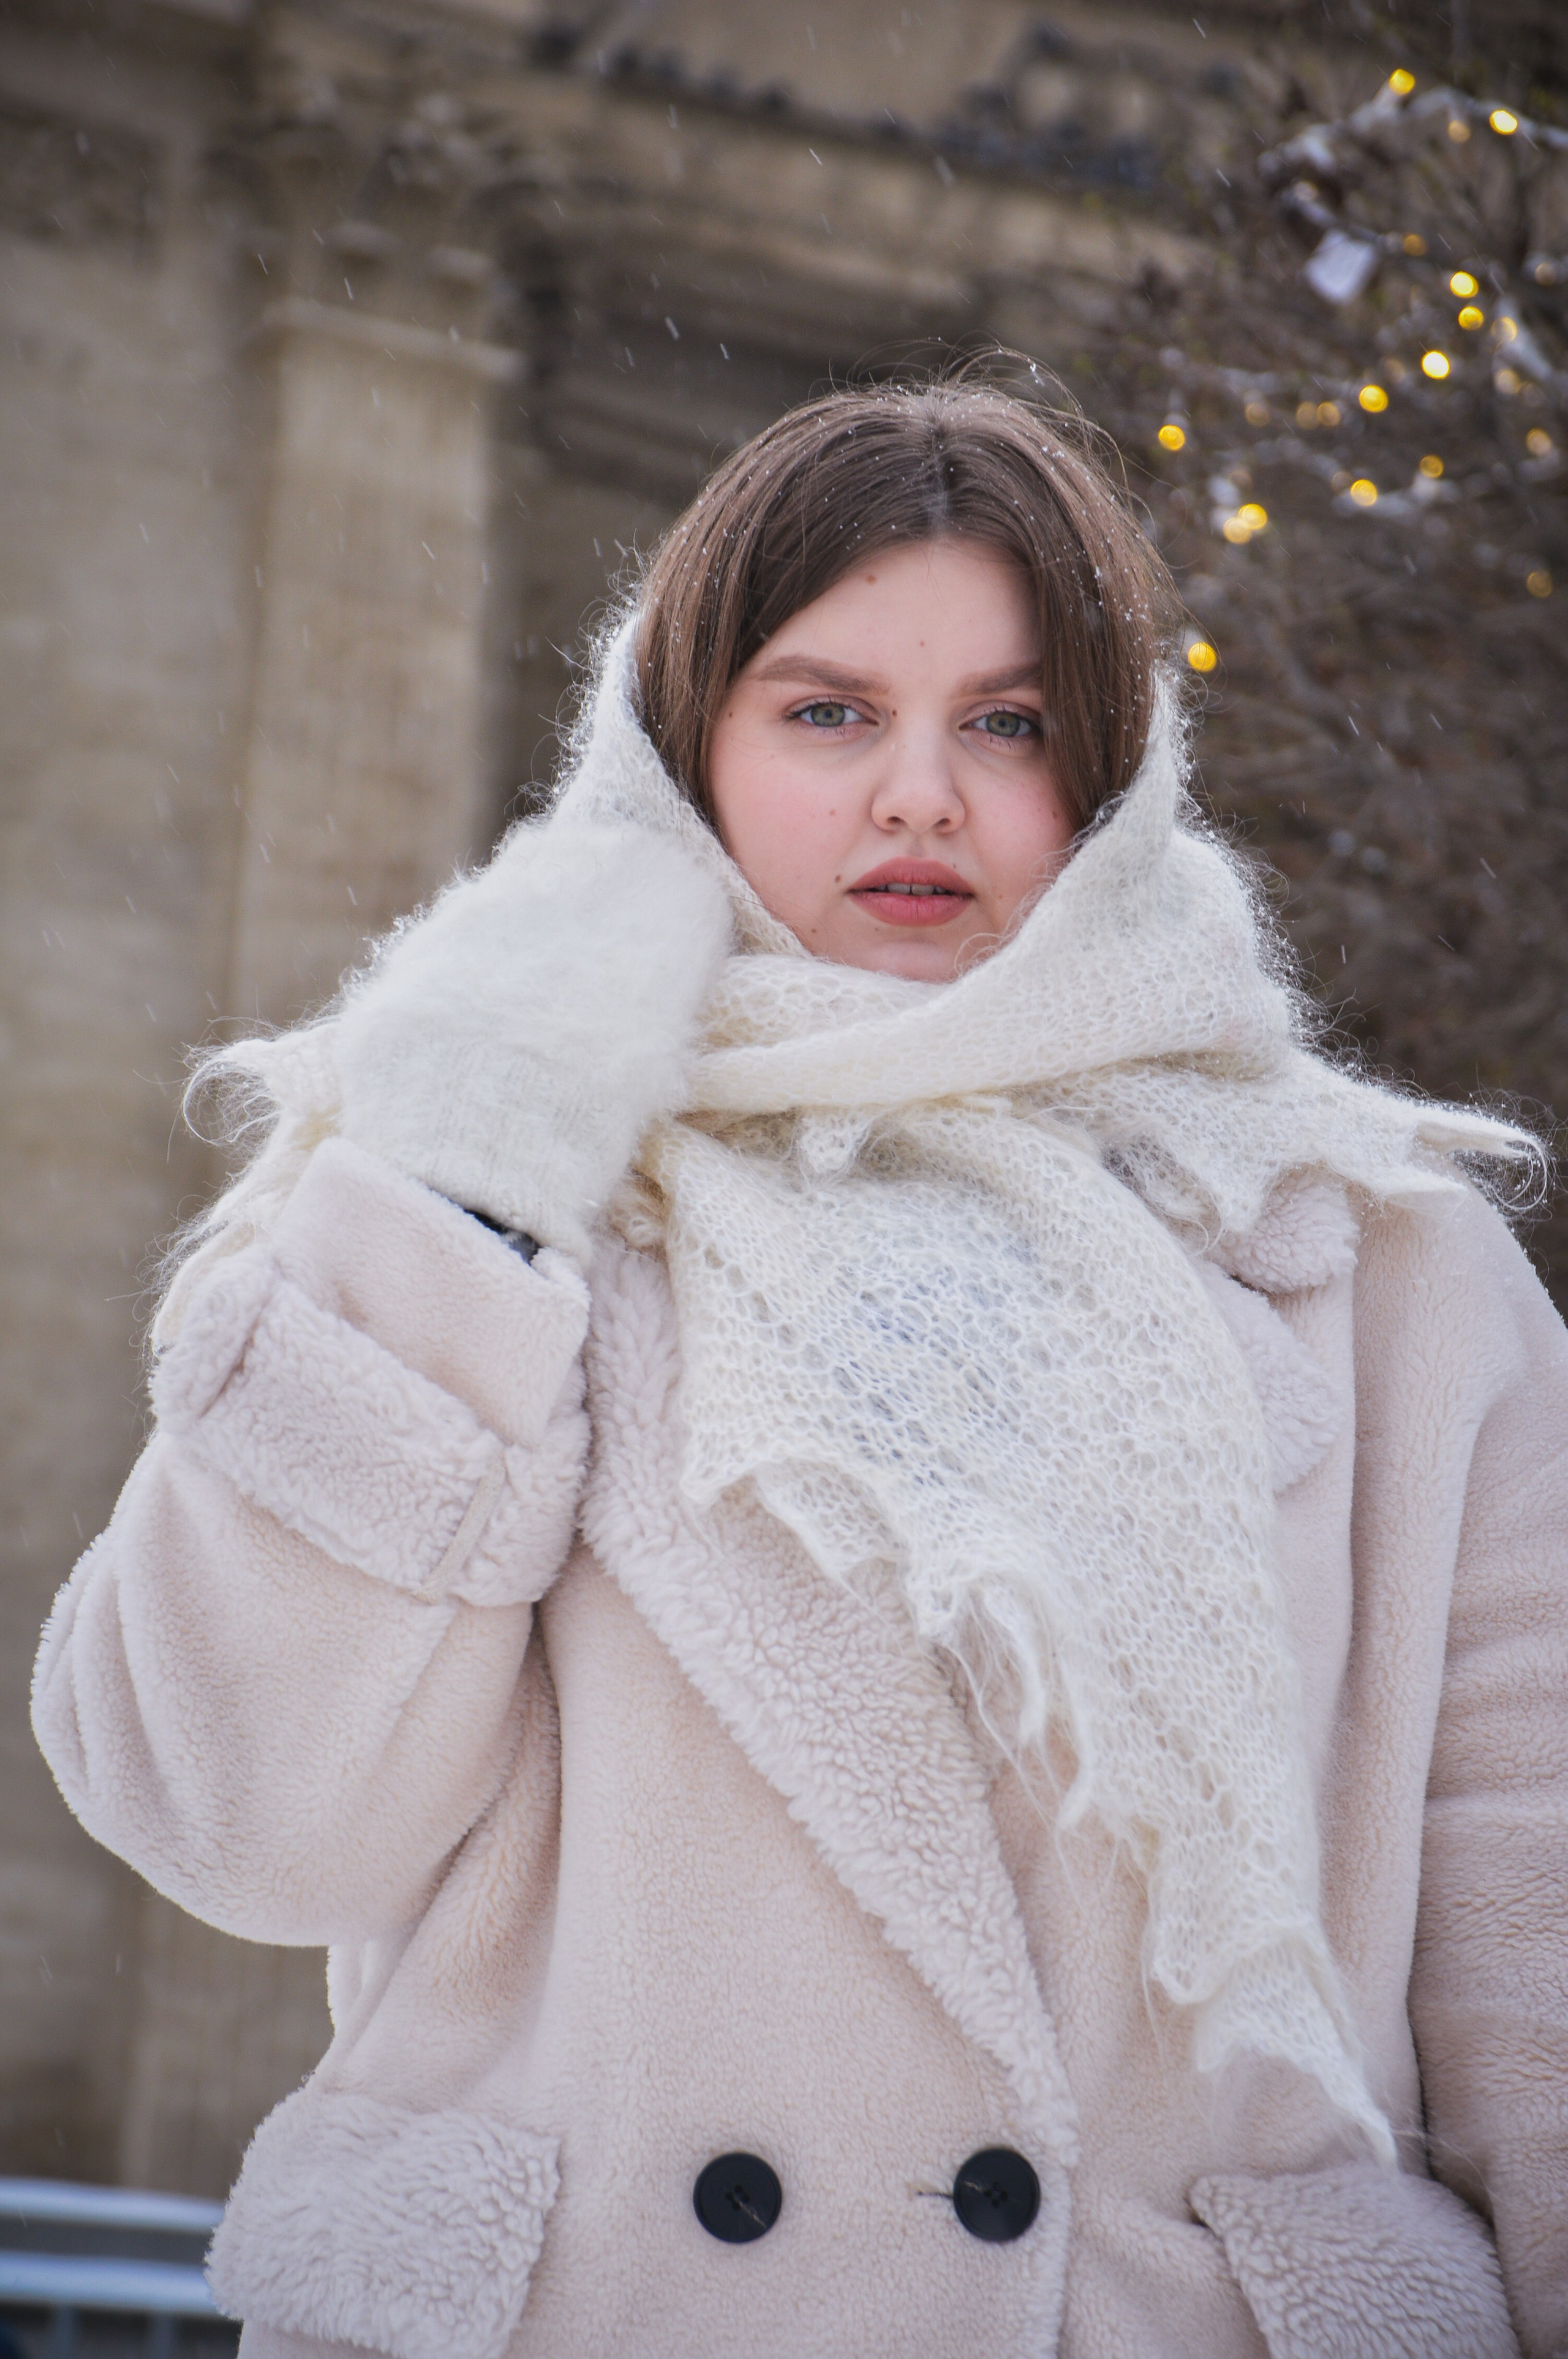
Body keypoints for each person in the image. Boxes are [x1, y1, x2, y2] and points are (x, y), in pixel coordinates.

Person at [32, 372, 1568, 2359]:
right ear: (688, 748)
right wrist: (464, 1172)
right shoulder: (453, 1193)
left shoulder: (1380, 1257)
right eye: (828, 710)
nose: (919, 793)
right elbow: (242, 1817)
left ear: (1107, 776)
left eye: (1007, 723)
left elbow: (1534, 1923)